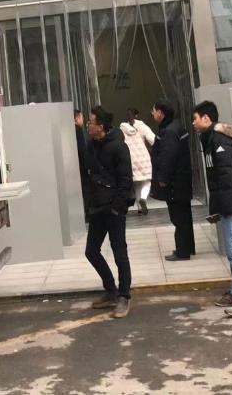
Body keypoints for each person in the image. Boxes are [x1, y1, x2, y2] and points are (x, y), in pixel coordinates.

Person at [192, 100, 232, 317]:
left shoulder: (220, 141)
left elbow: (227, 177)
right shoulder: (210, 139)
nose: (193, 123)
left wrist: (225, 208)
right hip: (229, 204)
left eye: (195, 119)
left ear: (206, 119)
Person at [84, 106, 133, 319]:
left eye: (91, 122)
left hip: (114, 209)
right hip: (97, 207)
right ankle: (110, 290)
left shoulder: (119, 147)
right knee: (91, 251)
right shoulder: (91, 145)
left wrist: (117, 208)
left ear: (101, 126)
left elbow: (126, 180)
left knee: (119, 252)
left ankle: (124, 296)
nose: (88, 125)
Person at [150, 100, 195, 261]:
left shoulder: (169, 131)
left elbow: (167, 157)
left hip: (175, 182)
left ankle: (182, 251)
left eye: (154, 110)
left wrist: (162, 178)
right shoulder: (176, 127)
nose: (152, 113)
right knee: (185, 215)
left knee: (178, 217)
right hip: (181, 180)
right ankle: (188, 247)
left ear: (160, 113)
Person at [119, 107, 155, 215]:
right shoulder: (142, 126)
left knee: (137, 184)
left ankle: (140, 208)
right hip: (143, 158)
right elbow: (152, 140)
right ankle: (143, 198)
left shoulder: (122, 128)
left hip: (130, 159)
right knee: (147, 181)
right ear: (137, 115)